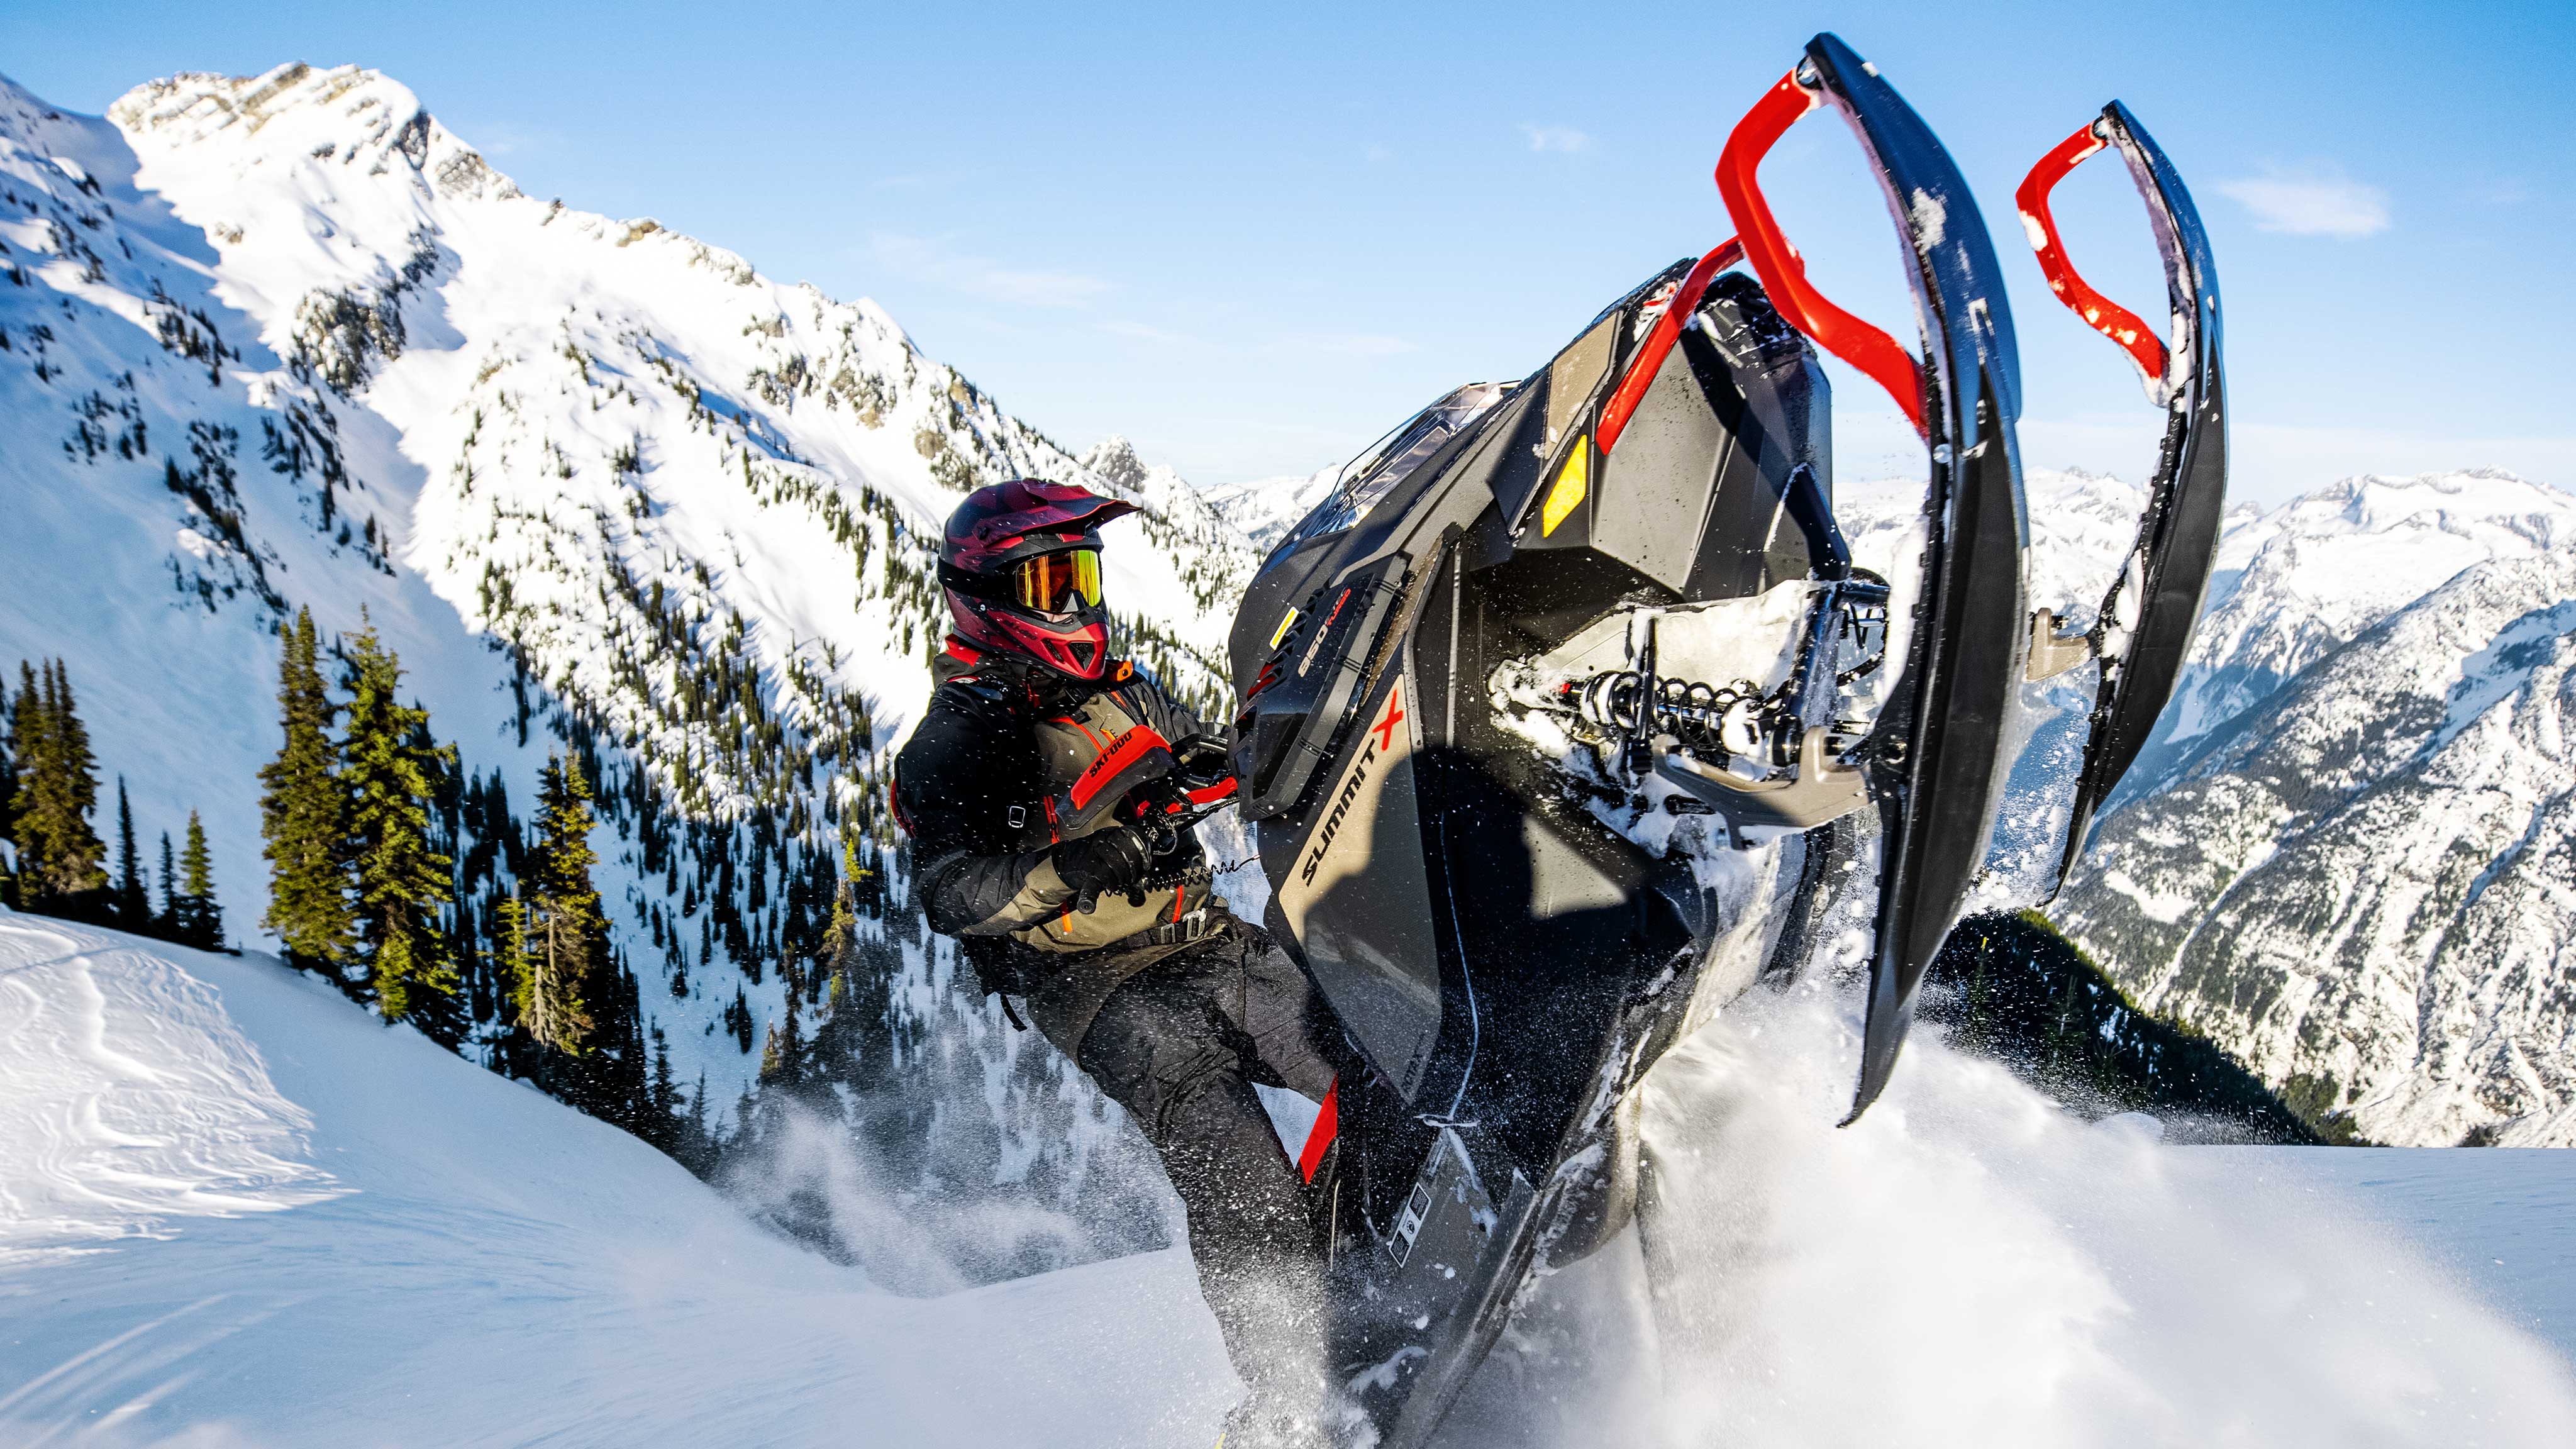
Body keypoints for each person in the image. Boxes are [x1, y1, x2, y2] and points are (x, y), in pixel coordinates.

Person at [892, 479, 1345, 1446]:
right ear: (988, 598)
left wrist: (1249, 750)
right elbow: (950, 891)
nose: (1073, 602)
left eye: (1080, 575)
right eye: (1048, 581)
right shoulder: (962, 737)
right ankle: (1288, 1409)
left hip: (1205, 939)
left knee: (1371, 1057)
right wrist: (1079, 862)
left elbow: (1195, 758)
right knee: (1239, 1172)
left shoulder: (1119, 688)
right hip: (1100, 989)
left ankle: (1389, 1255)